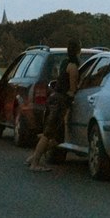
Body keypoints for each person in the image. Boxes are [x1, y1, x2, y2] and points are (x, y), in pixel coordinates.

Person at [26, 39, 82, 172]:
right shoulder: (73, 67)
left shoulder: (64, 63)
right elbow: (72, 89)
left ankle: (33, 157)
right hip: (61, 102)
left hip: (54, 98)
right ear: (78, 50)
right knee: (48, 134)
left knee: (57, 138)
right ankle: (35, 163)